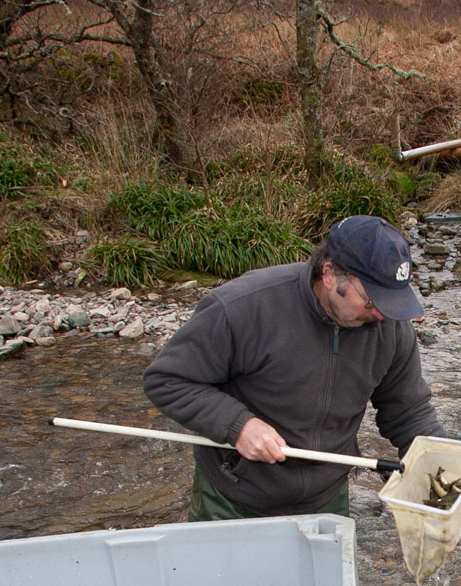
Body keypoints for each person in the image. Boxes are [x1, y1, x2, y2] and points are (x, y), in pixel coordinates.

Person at [144, 215, 445, 520]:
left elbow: (408, 411)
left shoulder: (390, 328)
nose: (381, 313)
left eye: (391, 301)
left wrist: (444, 462)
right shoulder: (243, 307)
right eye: (371, 300)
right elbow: (167, 380)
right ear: (329, 275)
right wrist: (239, 426)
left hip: (326, 498)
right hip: (234, 496)